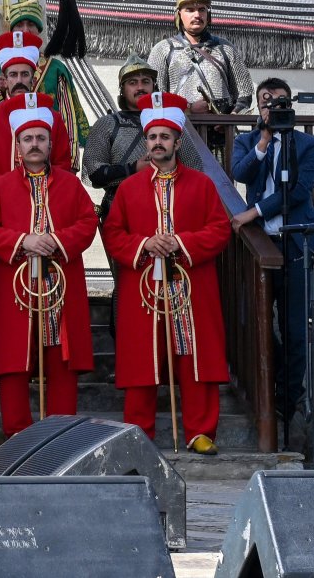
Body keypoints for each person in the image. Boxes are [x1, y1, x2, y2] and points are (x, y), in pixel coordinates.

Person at [101, 92, 231, 453]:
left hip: (192, 285)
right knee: (143, 358)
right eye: (153, 137)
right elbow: (113, 233)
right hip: (142, 284)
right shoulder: (127, 189)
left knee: (195, 355)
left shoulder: (202, 185)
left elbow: (219, 229)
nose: (158, 143)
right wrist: (145, 244)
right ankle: (138, 434)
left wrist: (180, 243)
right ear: (147, 141)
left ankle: (201, 431)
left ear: (177, 141)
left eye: (165, 137)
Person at [0, 94, 98, 436]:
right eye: (27, 138)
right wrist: (23, 241)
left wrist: (56, 241)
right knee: (14, 360)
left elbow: (88, 222)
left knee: (62, 357)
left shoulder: (71, 184)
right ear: (18, 144)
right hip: (14, 283)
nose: (34, 144)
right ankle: (16, 431)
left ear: (50, 142)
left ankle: (61, 433)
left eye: (41, 138)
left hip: (60, 283)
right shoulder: (0, 186)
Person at [229, 77, 314, 420]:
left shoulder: (307, 144)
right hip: (262, 246)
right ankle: (272, 385)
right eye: (267, 102)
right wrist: (265, 139)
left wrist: (254, 212)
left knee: (296, 327)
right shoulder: (247, 141)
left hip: (295, 244)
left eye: (281, 102)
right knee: (259, 323)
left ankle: (287, 400)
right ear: (258, 106)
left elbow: (298, 191)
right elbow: (240, 172)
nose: (274, 107)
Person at [0, 31, 71, 300]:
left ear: (34, 77)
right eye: (14, 75)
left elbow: (62, 163)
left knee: (46, 285)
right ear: (3, 80)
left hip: (44, 205)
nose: (20, 81)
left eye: (26, 74)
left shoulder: (53, 118)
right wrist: (8, 188)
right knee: (1, 290)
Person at [82, 54, 203, 221]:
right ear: (122, 89)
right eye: (133, 83)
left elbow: (194, 167)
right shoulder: (107, 124)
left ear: (154, 86)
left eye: (146, 81)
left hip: (169, 206)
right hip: (121, 209)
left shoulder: (172, 122)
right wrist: (133, 169)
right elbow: (95, 173)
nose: (140, 87)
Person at [0, 0, 88, 158]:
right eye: (19, 25)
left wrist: (70, 163)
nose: (25, 30)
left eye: (31, 24)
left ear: (39, 30)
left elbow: (68, 119)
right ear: (11, 30)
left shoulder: (56, 69)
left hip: (50, 157)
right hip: (5, 157)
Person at [147, 0, 253, 132]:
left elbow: (244, 93)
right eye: (190, 9)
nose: (197, 15)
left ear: (208, 14)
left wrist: (230, 117)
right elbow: (155, 98)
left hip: (221, 135)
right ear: (179, 15)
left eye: (201, 9)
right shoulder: (163, 50)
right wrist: (188, 108)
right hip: (180, 133)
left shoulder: (225, 48)